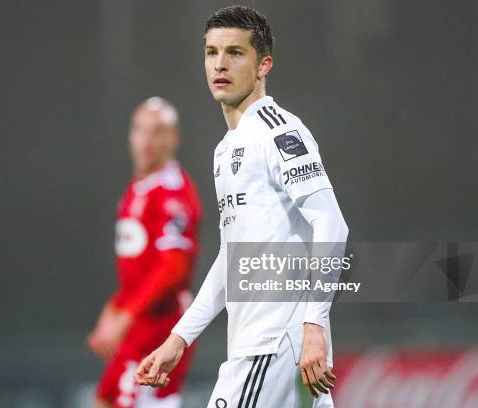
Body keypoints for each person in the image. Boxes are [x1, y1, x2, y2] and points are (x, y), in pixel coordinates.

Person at [134, 6, 348, 408]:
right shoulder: (226, 149)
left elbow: (332, 225)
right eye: (211, 52)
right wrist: (178, 339)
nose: (220, 63)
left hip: (273, 345)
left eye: (235, 52)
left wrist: (314, 323)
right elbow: (231, 259)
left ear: (263, 64)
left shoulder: (278, 131)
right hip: (267, 345)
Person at [87, 97, 202, 408]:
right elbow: (138, 268)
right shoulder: (138, 187)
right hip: (139, 320)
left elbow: (173, 268)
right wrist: (116, 306)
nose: (146, 140)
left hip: (162, 326)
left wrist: (125, 315)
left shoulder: (173, 192)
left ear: (173, 138)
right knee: (106, 398)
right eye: (140, 130)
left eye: (157, 132)